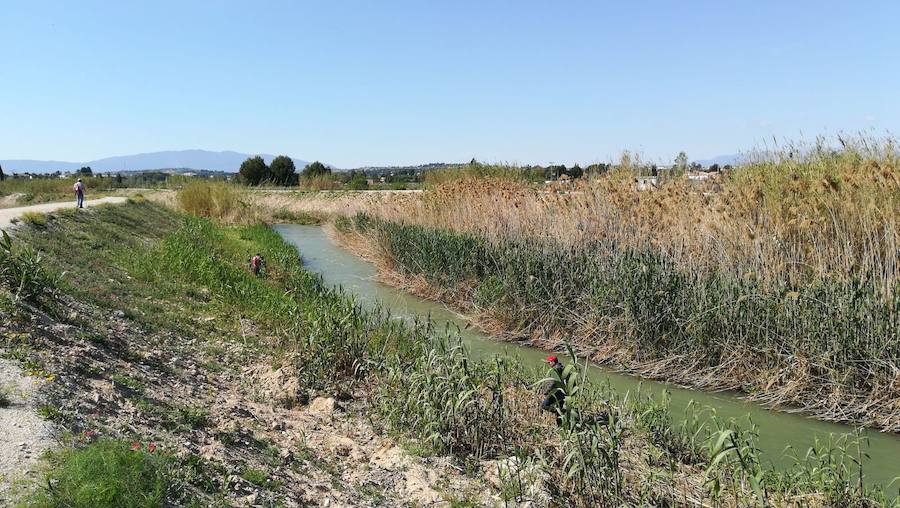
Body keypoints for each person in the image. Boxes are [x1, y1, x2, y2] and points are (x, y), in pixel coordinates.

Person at [540, 355, 569, 426]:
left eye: (549, 362)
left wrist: (546, 392)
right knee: (559, 413)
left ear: (553, 362)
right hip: (563, 392)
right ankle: (560, 427)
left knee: (544, 405)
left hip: (556, 392)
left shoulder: (554, 370)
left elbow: (553, 382)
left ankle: (560, 411)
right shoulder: (563, 368)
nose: (548, 364)